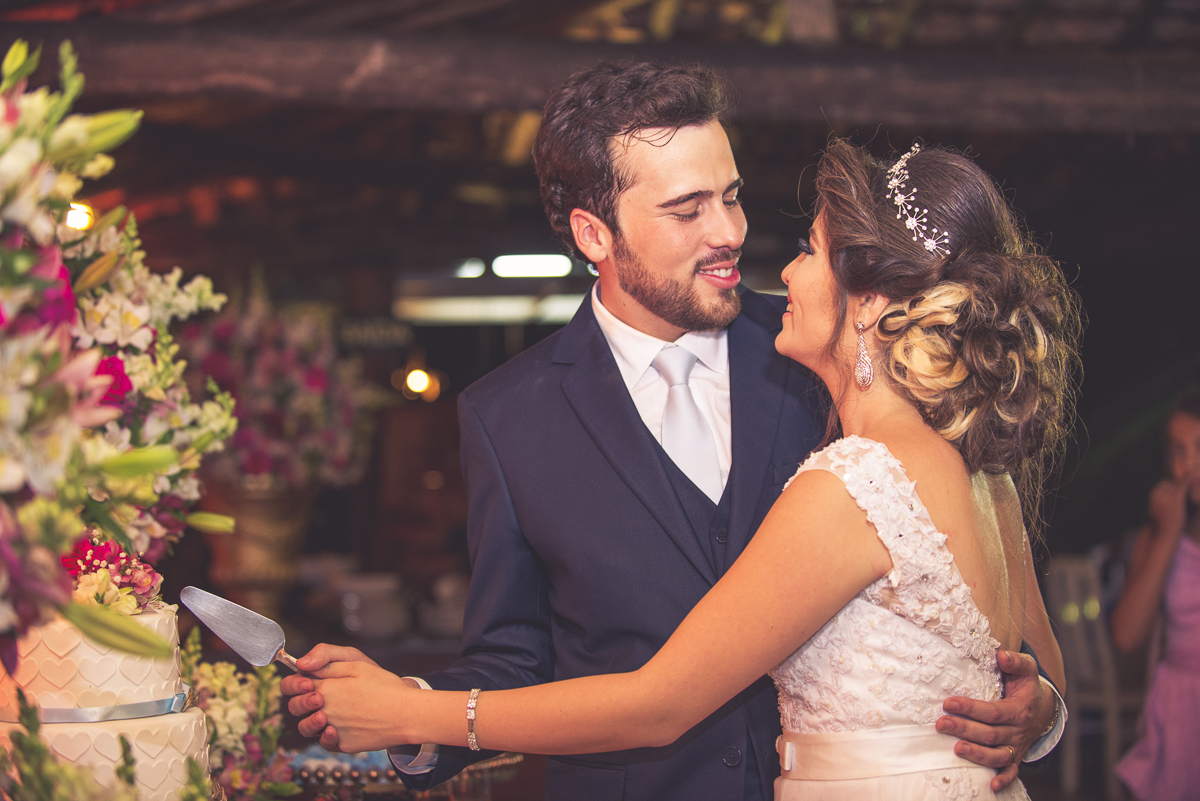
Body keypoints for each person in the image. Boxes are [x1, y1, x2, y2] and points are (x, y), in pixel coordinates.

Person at [283, 64, 1064, 800]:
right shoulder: (508, 416)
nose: (729, 231)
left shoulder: (825, 354)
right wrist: (410, 708)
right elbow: (513, 652)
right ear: (595, 234)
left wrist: (1041, 706)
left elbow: (985, 598)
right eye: (688, 209)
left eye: (732, 195)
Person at [1112, 389, 1200, 800]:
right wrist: (1168, 534)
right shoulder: (1160, 533)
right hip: (1181, 710)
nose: (1189, 464)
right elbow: (1126, 636)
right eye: (1179, 451)